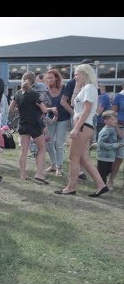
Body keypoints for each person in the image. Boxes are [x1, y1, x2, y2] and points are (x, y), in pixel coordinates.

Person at [55, 64, 108, 197]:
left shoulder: (89, 88)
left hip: (83, 127)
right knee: (84, 159)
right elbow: (73, 103)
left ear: (85, 74)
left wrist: (76, 128)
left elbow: (87, 109)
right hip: (84, 127)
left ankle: (71, 187)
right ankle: (101, 185)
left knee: (73, 158)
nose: (74, 76)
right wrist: (78, 86)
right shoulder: (86, 88)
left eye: (77, 74)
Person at [9, 71, 57, 183]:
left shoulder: (18, 94)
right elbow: (44, 110)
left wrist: (21, 110)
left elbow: (11, 109)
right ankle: (39, 174)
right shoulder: (35, 94)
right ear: (34, 81)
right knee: (42, 148)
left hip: (23, 124)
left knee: (24, 150)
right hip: (35, 124)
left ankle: (23, 175)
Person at [96, 110, 123, 184]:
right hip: (103, 156)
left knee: (108, 171)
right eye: (112, 119)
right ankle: (102, 186)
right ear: (105, 121)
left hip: (109, 157)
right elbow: (100, 143)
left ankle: (102, 185)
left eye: (115, 119)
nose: (115, 121)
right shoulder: (106, 131)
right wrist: (114, 145)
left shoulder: (112, 129)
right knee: (102, 172)